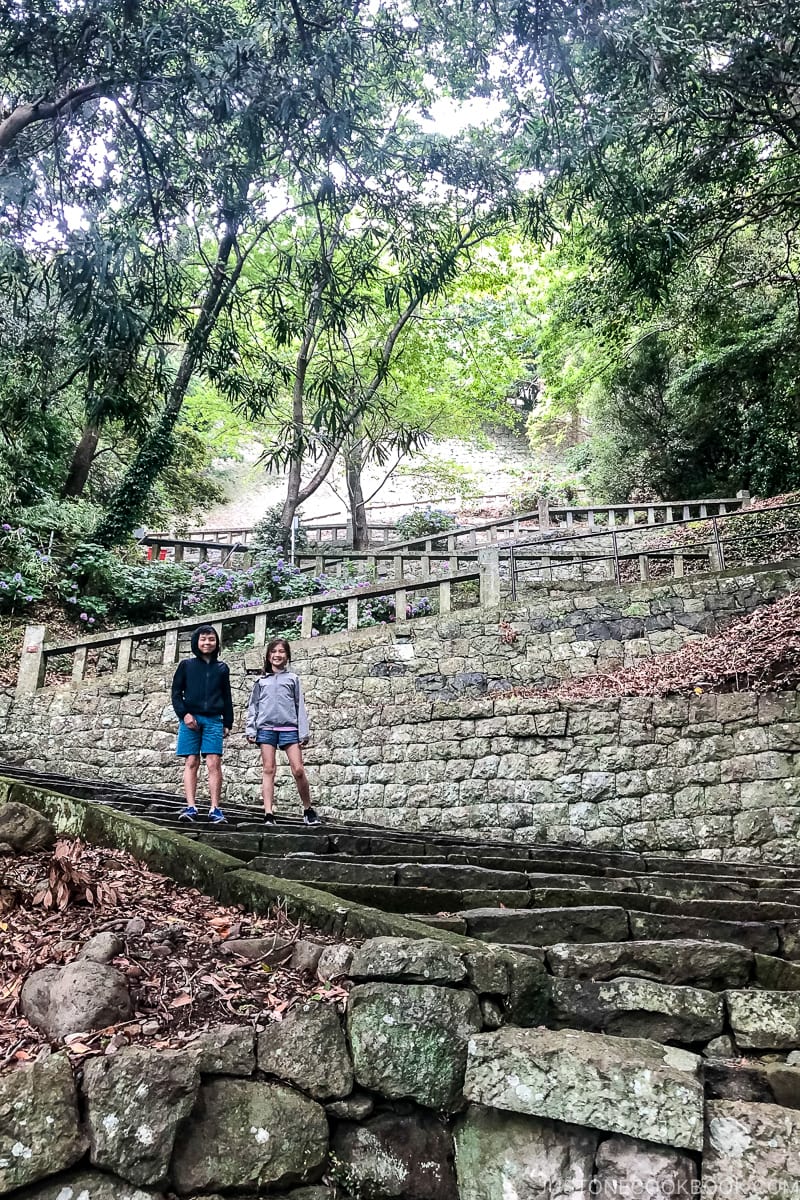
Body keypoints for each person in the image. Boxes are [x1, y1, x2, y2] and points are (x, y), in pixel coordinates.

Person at [245, 637, 319, 826]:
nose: (277, 655)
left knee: (298, 769)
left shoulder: (293, 679)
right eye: (274, 651)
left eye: (281, 652)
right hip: (266, 729)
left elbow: (299, 706)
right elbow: (253, 706)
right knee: (268, 769)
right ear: (268, 655)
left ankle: (308, 809)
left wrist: (303, 732)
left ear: (287, 656)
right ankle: (268, 813)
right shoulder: (261, 681)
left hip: (289, 729)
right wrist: (251, 729)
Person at [171, 624, 234, 824]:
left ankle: (215, 808)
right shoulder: (186, 665)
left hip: (214, 718)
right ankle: (191, 806)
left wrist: (228, 721)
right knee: (191, 761)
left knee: (214, 762)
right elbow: (176, 693)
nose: (207, 643)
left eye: (211, 639)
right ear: (196, 642)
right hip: (191, 718)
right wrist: (184, 714)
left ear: (217, 643)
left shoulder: (222, 668)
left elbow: (227, 695)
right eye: (203, 639)